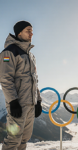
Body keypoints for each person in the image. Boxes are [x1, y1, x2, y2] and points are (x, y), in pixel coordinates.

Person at [0, 21, 42, 150]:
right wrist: (13, 101)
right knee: (13, 140)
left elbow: (34, 80)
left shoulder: (30, 55)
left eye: (32, 30)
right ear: (19, 33)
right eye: (28, 30)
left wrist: (38, 101)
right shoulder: (9, 52)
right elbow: (5, 78)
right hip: (18, 104)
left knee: (24, 139)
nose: (31, 33)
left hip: (30, 104)